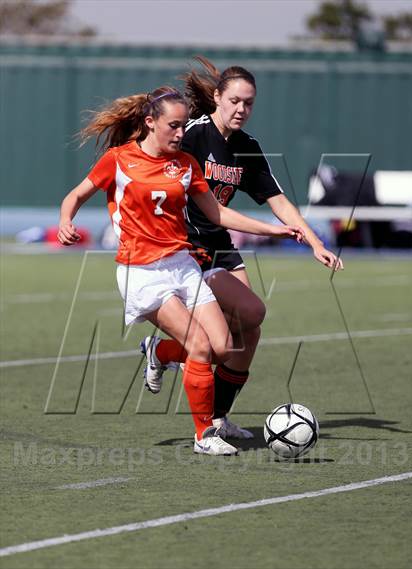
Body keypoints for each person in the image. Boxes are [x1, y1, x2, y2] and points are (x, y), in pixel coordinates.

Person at [57, 86, 305, 455]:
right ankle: (204, 435)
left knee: (224, 346)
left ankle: (160, 353)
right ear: (150, 122)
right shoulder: (119, 160)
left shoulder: (186, 164)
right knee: (201, 346)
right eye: (173, 126)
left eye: (183, 126)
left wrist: (274, 229)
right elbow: (76, 195)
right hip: (141, 271)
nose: (180, 133)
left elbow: (217, 214)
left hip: (183, 266)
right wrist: (65, 220)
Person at [141, 59, 344, 440]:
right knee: (234, 328)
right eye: (234, 101)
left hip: (221, 246)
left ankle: (214, 412)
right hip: (186, 247)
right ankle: (171, 361)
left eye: (249, 103)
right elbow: (150, 160)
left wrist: (315, 241)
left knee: (248, 330)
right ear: (217, 97)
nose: (241, 110)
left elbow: (278, 200)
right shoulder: (194, 135)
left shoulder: (247, 147)